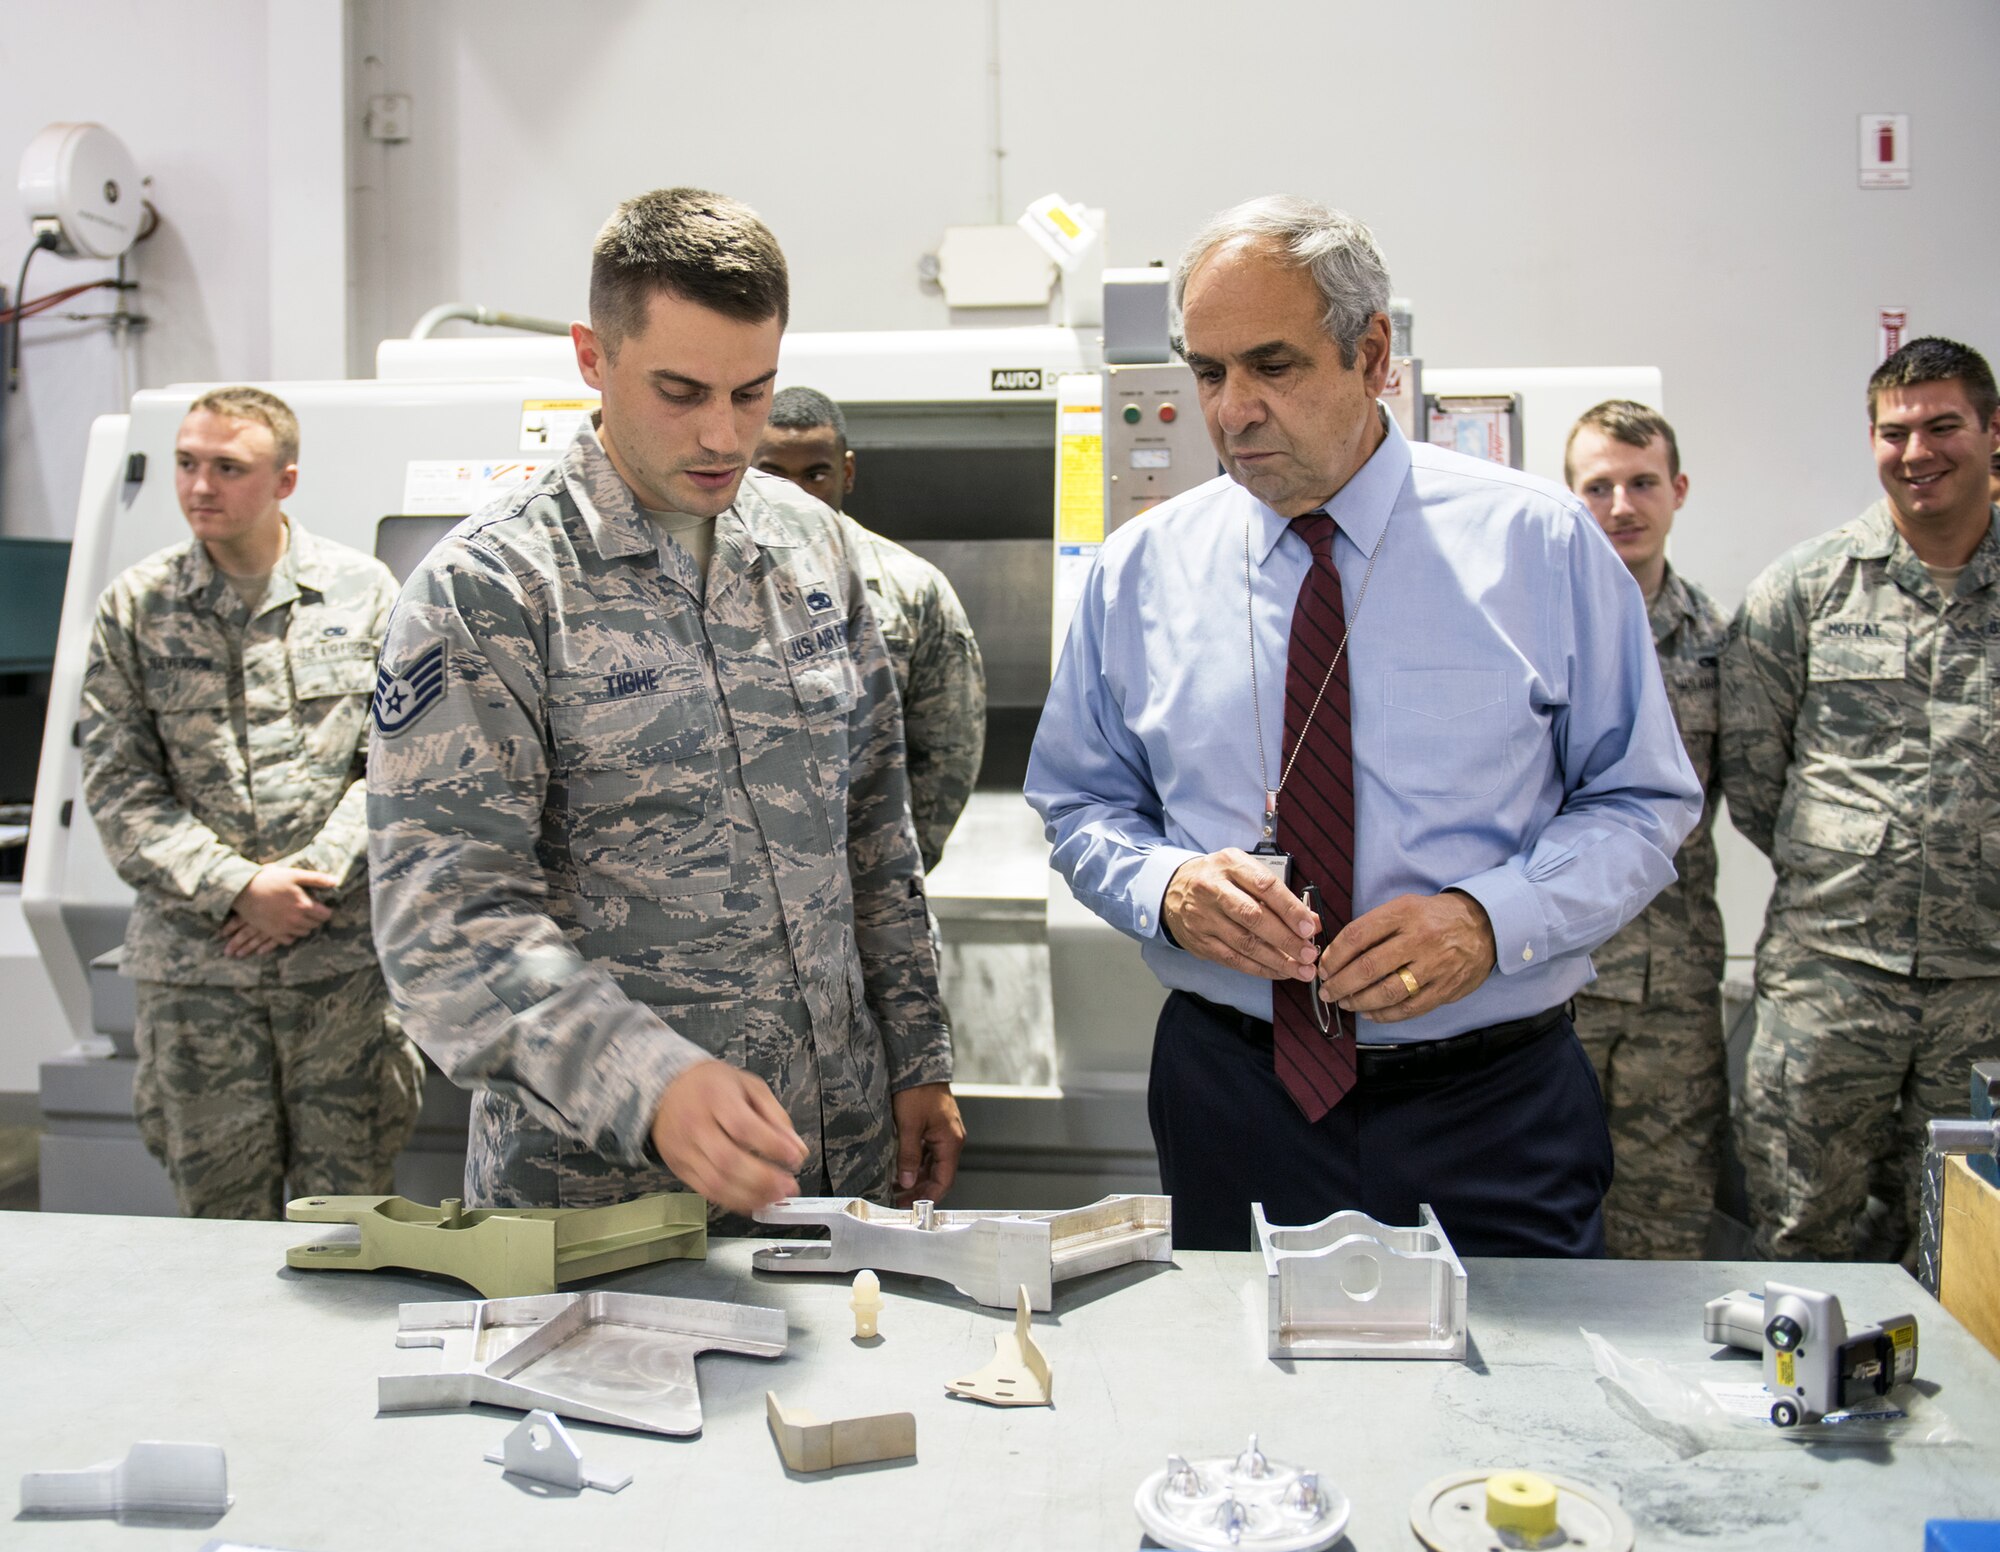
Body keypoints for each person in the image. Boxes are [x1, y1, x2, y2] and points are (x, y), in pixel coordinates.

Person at [1026, 195, 1701, 1255]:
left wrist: (1487, 919)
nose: (1231, 410)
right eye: (1206, 373)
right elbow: (1079, 803)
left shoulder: (1536, 549)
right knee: (1245, 1401)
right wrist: (1167, 886)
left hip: (1488, 1100)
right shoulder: (1142, 571)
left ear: (1371, 352)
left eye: (1271, 366)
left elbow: (1639, 801)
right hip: (1235, 1093)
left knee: (1517, 1408)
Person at [367, 188, 960, 1217]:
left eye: (753, 392)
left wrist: (915, 1053)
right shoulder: (492, 592)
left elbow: (871, 827)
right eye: (680, 392)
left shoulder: (810, 551)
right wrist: (647, 1082)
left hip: (837, 1165)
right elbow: (443, 920)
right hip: (603, 1204)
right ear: (591, 358)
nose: (724, 435)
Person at [80, 386, 423, 1218]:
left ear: (285, 481)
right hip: (201, 978)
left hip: (336, 969)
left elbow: (395, 761)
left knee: (350, 1225)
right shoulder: (138, 606)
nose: (200, 487)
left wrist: (305, 883)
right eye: (187, 464)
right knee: (218, 1229)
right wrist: (238, 889)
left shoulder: (363, 593)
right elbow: (118, 783)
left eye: (228, 468)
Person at [1722, 335, 2000, 1263]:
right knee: (1803, 1235)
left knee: (1972, 1251)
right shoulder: (1804, 589)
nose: (1917, 451)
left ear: (1993, 431)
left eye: (1943, 425)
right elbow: (1759, 777)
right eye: (1895, 431)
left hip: (1989, 990)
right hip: (1832, 980)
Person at [1563, 401, 1728, 1259]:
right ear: (1569, 497)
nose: (1622, 505)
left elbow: (1756, 791)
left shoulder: (1720, 643)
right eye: (1598, 486)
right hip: (1555, 981)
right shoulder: (1533, 630)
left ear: (1677, 491)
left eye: (1642, 483)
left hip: (1674, 988)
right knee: (1541, 1204)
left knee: (1666, 1218)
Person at [751, 387, 986, 872]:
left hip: (869, 877)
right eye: (773, 474)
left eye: (815, 474)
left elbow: (949, 750)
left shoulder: (911, 589)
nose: (795, 492)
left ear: (847, 472)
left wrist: (891, 866)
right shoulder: (710, 585)